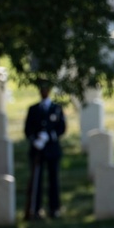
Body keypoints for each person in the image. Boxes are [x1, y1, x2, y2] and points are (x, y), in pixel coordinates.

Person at [23, 80, 66, 219]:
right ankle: (35, 208)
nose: (44, 91)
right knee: (37, 180)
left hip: (52, 150)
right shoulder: (33, 109)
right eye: (42, 89)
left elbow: (62, 128)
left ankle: (54, 208)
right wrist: (35, 140)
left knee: (53, 180)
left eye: (46, 89)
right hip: (37, 150)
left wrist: (49, 136)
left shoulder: (56, 108)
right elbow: (27, 129)